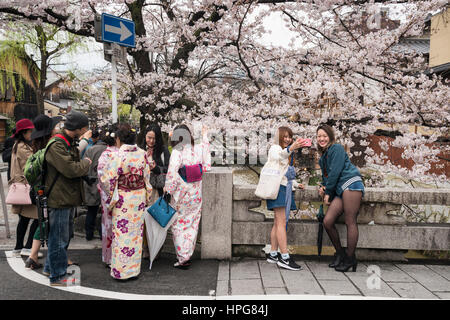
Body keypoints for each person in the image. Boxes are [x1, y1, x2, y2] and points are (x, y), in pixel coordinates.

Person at [43, 110, 92, 286]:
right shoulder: (57, 145)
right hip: (60, 198)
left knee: (61, 236)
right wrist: (86, 163)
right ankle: (57, 276)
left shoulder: (67, 142)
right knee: (59, 238)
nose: (86, 131)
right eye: (84, 128)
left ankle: (50, 267)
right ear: (78, 128)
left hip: (66, 197)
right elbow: (71, 169)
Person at [100, 123, 152, 280]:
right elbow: (146, 176)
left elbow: (107, 179)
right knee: (136, 234)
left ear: (119, 139)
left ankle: (121, 271)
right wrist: (147, 194)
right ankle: (133, 270)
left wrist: (111, 196)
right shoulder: (142, 153)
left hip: (123, 198)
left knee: (122, 234)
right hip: (138, 198)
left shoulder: (117, 156)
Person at [317, 124, 364, 273]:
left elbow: (336, 172)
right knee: (328, 221)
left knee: (350, 221)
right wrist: (323, 187)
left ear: (330, 137)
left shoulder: (336, 148)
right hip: (340, 189)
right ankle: (340, 253)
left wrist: (328, 193)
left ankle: (350, 259)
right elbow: (327, 176)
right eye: (319, 136)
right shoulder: (323, 156)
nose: (321, 139)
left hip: (350, 183)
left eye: (324, 136)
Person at [164, 124, 211, 269]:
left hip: (182, 194)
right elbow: (207, 164)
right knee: (193, 223)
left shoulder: (177, 152)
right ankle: (187, 254)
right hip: (196, 192)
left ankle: (183, 257)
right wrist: (204, 135)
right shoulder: (197, 149)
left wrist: (168, 190)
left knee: (178, 224)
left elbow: (172, 173)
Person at [265, 126, 309, 271]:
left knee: (277, 222)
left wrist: (295, 183)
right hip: (278, 189)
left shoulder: (287, 152)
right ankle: (284, 257)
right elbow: (278, 157)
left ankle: (273, 254)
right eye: (285, 136)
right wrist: (291, 148)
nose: (288, 139)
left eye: (289, 137)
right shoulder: (275, 148)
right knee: (281, 223)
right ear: (278, 137)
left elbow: (282, 173)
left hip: (283, 187)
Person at [24, 114, 62, 270]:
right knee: (51, 225)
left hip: (38, 192)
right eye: (55, 126)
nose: (58, 128)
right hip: (48, 193)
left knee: (44, 223)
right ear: (50, 131)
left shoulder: (37, 148)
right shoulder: (49, 149)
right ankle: (36, 257)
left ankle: (33, 256)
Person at [8, 119, 37, 258]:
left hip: (20, 188)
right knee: (37, 217)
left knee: (24, 219)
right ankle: (27, 247)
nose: (32, 133)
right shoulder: (22, 148)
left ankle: (18, 247)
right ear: (24, 132)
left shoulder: (17, 145)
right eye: (30, 131)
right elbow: (30, 168)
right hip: (26, 188)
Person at [97, 124, 119, 266]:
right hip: (121, 194)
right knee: (119, 226)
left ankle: (108, 257)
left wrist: (108, 191)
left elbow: (101, 176)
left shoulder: (105, 154)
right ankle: (117, 256)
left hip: (107, 195)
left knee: (108, 225)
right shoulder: (121, 154)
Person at [83, 129, 107, 241]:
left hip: (91, 182)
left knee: (91, 211)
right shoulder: (109, 151)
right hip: (104, 184)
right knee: (105, 212)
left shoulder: (90, 149)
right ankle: (103, 235)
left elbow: (84, 166)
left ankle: (89, 234)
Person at [142, 124, 171, 198]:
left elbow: (169, 169)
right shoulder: (141, 150)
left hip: (158, 191)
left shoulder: (163, 150)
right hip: (143, 190)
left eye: (154, 139)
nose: (151, 141)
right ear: (145, 136)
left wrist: (156, 168)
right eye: (149, 138)